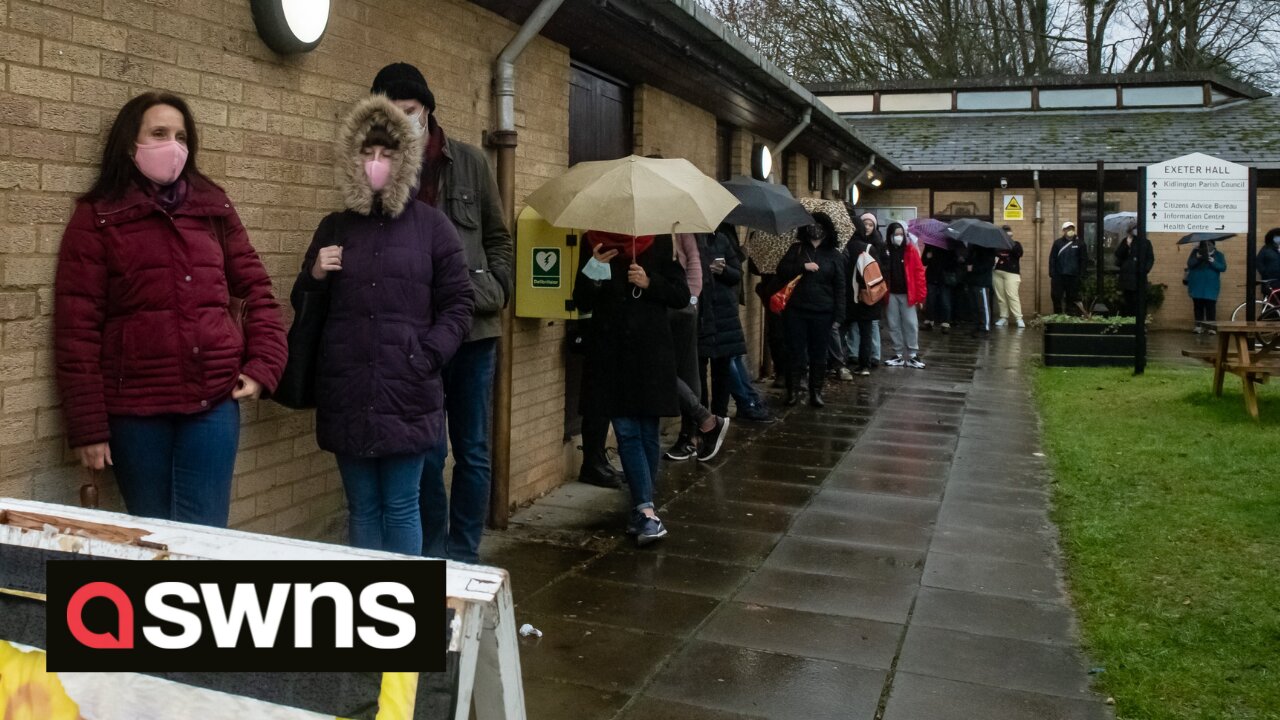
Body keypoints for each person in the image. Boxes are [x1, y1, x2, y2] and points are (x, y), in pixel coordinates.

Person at [54, 92, 287, 527]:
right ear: (130, 143)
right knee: (151, 536)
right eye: (158, 133)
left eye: (181, 135)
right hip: (135, 413)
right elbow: (76, 329)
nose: (172, 145)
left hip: (213, 402)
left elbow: (256, 290)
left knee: (204, 538)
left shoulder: (213, 207)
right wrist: (88, 427)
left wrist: (263, 366)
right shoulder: (97, 217)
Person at [296, 95, 473, 555]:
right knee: (362, 509)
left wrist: (426, 355)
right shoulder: (334, 226)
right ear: (353, 159)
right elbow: (305, 305)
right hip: (348, 389)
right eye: (367, 152)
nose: (376, 162)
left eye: (387, 153)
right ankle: (365, 607)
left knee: (401, 506)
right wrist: (314, 275)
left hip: (407, 391)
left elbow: (459, 304)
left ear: (405, 159)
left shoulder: (433, 228)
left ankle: (403, 609)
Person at [370, 63, 514, 563]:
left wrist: (496, 289)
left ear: (426, 109)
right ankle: (434, 554)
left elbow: (498, 237)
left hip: (473, 332)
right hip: (419, 339)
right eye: (391, 114)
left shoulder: (471, 162)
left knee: (472, 449)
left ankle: (464, 552)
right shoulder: (381, 169)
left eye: (408, 112)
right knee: (426, 452)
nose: (401, 122)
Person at [574, 232, 690, 546]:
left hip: (649, 351)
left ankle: (644, 509)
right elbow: (580, 299)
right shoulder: (594, 240)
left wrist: (650, 282)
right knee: (625, 429)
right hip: (610, 351)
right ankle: (646, 508)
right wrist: (594, 269)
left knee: (647, 429)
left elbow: (681, 294)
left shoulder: (661, 241)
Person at [776, 213, 846, 407]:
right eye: (811, 225)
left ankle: (816, 392)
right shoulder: (796, 250)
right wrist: (802, 267)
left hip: (823, 312)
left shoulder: (834, 254)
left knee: (819, 354)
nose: (815, 229)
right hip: (796, 310)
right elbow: (782, 271)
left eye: (819, 225)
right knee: (795, 352)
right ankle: (793, 391)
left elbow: (840, 286)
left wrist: (839, 315)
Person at [697, 225, 753, 421]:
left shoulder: (721, 239)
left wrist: (723, 270)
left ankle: (719, 416)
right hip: (701, 314)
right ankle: (703, 417)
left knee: (722, 370)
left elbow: (737, 273)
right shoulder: (689, 241)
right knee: (698, 371)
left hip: (724, 314)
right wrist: (705, 270)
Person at [881, 223, 927, 368]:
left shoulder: (910, 250)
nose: (899, 237)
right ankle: (898, 353)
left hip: (908, 294)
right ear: (890, 235)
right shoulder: (885, 251)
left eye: (901, 234)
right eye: (896, 234)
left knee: (911, 324)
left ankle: (913, 353)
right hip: (891, 294)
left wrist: (920, 296)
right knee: (893, 324)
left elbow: (919, 273)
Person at [847, 212, 884, 365]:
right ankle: (864, 362)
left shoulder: (845, 247)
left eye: (871, 225)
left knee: (862, 327)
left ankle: (869, 356)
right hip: (866, 293)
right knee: (866, 328)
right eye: (865, 224)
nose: (868, 227)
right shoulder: (868, 248)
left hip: (850, 293)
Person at [1186, 240, 1227, 334]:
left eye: (1209, 244)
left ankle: (1211, 328)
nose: (1207, 246)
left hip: (1211, 285)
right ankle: (1198, 326)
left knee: (1210, 307)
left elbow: (1223, 267)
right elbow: (1190, 264)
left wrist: (1213, 261)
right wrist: (1198, 258)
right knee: (1198, 306)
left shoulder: (1218, 254)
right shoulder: (1195, 252)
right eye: (1204, 245)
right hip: (1197, 284)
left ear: (1213, 245)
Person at [1114, 226, 1154, 317]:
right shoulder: (1126, 241)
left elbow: (1150, 258)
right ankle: (1128, 321)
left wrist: (1145, 270)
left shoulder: (1146, 243)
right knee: (1127, 301)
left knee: (1140, 301)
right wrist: (1127, 244)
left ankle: (1141, 323)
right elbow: (1118, 254)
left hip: (1139, 277)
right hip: (1126, 277)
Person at [1049, 221, 1088, 315]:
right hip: (1059, 276)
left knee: (1072, 298)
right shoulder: (1057, 243)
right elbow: (1052, 258)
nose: (1070, 230)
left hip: (1073, 276)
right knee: (1056, 297)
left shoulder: (1080, 243)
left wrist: (1081, 275)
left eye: (1072, 228)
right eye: (1067, 229)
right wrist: (1052, 273)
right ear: (1063, 230)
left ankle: (1071, 317)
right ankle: (1057, 316)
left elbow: (1084, 260)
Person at [993, 225, 1025, 327]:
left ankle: (1018, 318)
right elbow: (995, 253)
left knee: (1012, 296)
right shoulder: (997, 244)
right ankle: (1003, 317)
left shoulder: (1016, 244)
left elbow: (1018, 253)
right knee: (1001, 296)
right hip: (998, 272)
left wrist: (1009, 241)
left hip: (1012, 273)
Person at [921, 242, 955, 333]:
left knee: (945, 301)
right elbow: (923, 261)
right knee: (930, 300)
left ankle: (945, 323)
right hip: (932, 276)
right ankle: (929, 321)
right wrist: (928, 257)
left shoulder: (949, 245)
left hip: (944, 278)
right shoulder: (929, 245)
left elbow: (953, 262)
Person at [1257, 228, 1280, 298]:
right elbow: (1258, 263)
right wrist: (1266, 273)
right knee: (1269, 306)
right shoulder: (1266, 249)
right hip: (1270, 283)